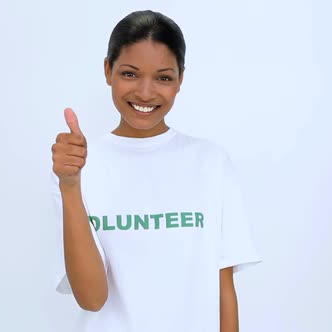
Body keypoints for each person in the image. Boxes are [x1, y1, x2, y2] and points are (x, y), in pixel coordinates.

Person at [50, 10, 261, 332]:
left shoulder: (210, 163)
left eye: (163, 77)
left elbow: (223, 291)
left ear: (180, 79)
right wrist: (69, 185)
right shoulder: (77, 167)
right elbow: (92, 298)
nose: (146, 93)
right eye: (130, 74)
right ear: (108, 70)